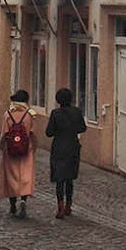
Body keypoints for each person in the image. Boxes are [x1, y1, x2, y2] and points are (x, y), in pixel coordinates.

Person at [45, 86, 86, 218]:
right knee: (69, 178)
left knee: (59, 179)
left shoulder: (55, 113)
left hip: (59, 148)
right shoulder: (77, 112)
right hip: (72, 147)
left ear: (58, 100)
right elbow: (82, 128)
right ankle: (68, 205)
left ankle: (60, 207)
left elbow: (49, 132)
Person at [0, 89, 36, 217]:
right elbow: (33, 133)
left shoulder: (8, 114)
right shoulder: (29, 115)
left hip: (10, 149)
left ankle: (13, 205)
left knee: (11, 177)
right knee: (25, 176)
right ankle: (23, 200)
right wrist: (34, 147)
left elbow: (4, 133)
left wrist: (2, 146)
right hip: (26, 149)